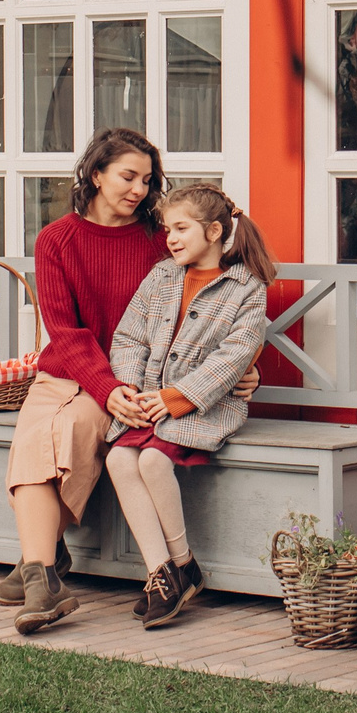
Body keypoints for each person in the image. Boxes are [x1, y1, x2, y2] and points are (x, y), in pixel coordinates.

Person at [103, 183, 276, 629]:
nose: (171, 238)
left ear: (215, 231)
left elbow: (233, 358)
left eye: (181, 228)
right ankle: (165, 573)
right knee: (121, 457)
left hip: (205, 405)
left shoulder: (246, 288)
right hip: (147, 401)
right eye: (167, 230)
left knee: (154, 462)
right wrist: (131, 390)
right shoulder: (161, 277)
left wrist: (172, 398)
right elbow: (128, 337)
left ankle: (181, 567)